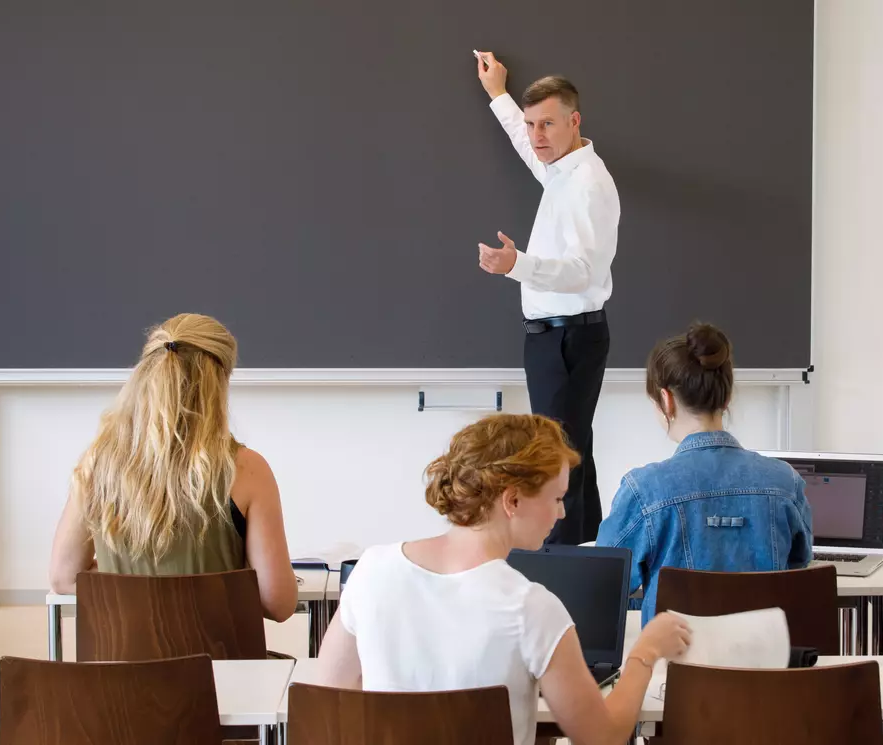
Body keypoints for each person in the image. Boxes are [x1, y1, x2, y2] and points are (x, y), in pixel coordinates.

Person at [313, 414, 692, 745]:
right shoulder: (531, 607)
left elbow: (325, 703)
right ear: (512, 501)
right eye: (557, 498)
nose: (561, 514)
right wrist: (646, 651)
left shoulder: (372, 570)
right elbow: (602, 737)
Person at [48, 313, 298, 622]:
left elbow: (64, 577)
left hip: (120, 669)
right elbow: (278, 603)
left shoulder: (99, 465)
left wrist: (135, 580)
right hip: (221, 667)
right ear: (219, 384)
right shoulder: (247, 469)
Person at [474, 51, 621, 545]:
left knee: (558, 464)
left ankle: (565, 576)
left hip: (569, 338)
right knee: (573, 454)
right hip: (554, 339)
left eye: (548, 125)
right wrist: (499, 95)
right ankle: (594, 564)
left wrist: (518, 266)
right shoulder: (560, 170)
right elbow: (524, 144)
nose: (537, 135)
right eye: (533, 123)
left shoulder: (588, 185)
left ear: (575, 121)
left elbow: (583, 272)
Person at [596, 323, 813, 623]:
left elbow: (605, 585)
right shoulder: (785, 483)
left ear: (666, 400)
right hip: (765, 666)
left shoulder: (643, 491)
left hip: (675, 667)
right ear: (726, 399)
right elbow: (798, 573)